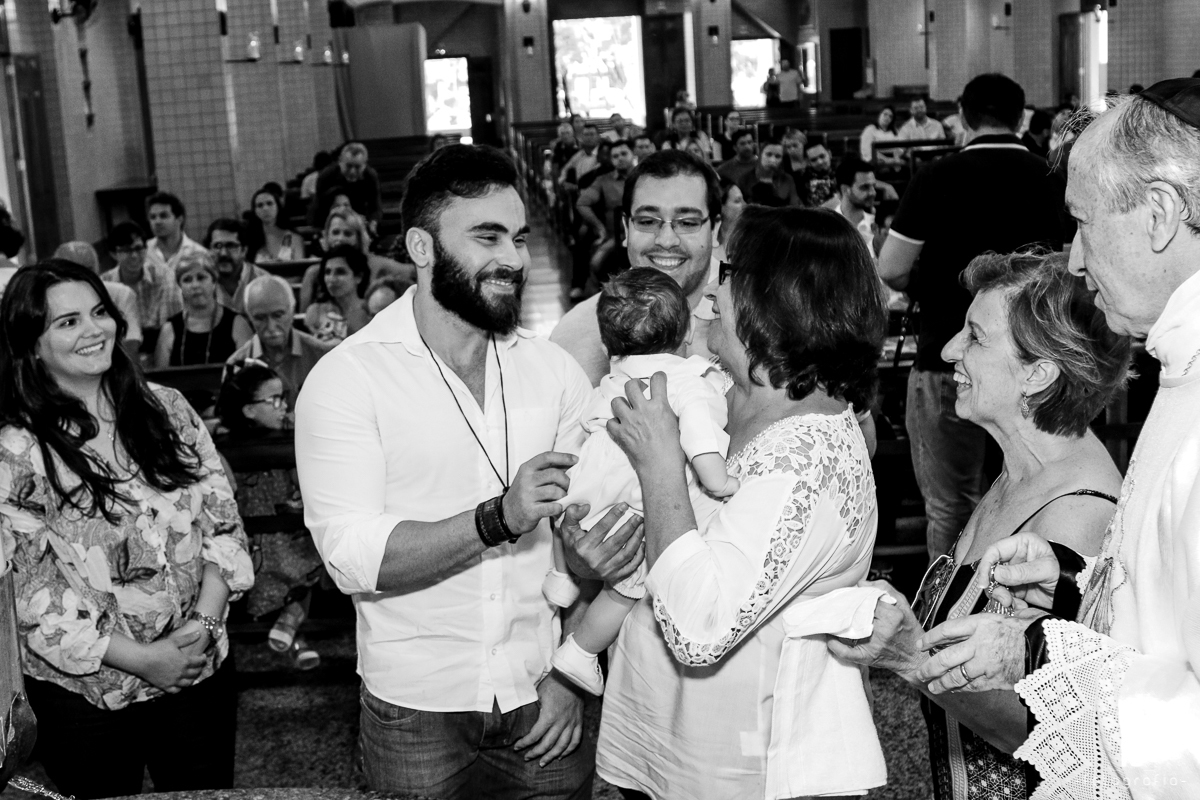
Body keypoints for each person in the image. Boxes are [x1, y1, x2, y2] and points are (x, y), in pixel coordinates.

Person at [912, 78, 1200, 800]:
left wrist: (1036, 653)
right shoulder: (1182, 365)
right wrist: (1076, 585)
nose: (1073, 258)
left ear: (1160, 214)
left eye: (1083, 223)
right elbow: (1164, 609)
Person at [295, 144, 608, 798]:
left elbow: (598, 536)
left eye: (519, 238)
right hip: (417, 709)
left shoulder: (552, 373)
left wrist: (573, 671)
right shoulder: (349, 379)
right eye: (487, 237)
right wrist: (500, 518)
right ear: (422, 246)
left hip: (542, 692)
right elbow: (352, 557)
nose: (513, 258)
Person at [597, 206, 889, 799]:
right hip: (665, 728)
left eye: (728, 274)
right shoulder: (719, 387)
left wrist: (659, 466)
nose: (711, 291)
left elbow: (702, 629)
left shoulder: (806, 459)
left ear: (777, 299)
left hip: (741, 766)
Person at [830, 250, 1130, 800]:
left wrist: (910, 658)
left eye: (974, 336)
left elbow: (1056, 733)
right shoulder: (1020, 472)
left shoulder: (1078, 514)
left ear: (1037, 374)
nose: (949, 350)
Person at [0, 260, 254, 799]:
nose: (94, 330)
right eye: (67, 322)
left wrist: (203, 625)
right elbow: (30, 595)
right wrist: (144, 660)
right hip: (88, 695)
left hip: (198, 667)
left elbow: (223, 523)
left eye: (99, 312)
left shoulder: (168, 408)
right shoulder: (16, 451)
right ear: (31, 345)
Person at [878, 73, 1066, 561]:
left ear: (962, 115)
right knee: (1033, 501)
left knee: (951, 507)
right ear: (1021, 118)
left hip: (951, 354)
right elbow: (1073, 266)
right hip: (1034, 364)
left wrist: (927, 285)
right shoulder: (1050, 175)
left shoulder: (935, 176)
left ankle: (951, 603)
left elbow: (890, 267)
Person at [543, 269, 737, 696]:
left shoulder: (613, 378)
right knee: (627, 589)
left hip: (589, 477)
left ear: (607, 346)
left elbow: (590, 422)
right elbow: (701, 438)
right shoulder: (688, 381)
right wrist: (718, 480)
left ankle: (559, 579)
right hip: (634, 491)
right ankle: (580, 651)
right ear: (688, 332)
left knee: (565, 515)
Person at [551, 149, 723, 387]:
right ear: (625, 228)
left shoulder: (759, 319)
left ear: (714, 230)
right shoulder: (576, 336)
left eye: (687, 223)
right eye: (647, 221)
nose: (666, 240)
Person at [217, 359, 322, 671]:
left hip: (252, 549)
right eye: (275, 400)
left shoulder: (220, 439)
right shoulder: (292, 437)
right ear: (249, 410)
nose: (284, 406)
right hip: (280, 548)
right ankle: (293, 625)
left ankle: (294, 633)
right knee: (320, 555)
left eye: (284, 398)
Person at [227, 275, 334, 409]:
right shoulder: (236, 365)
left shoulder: (322, 355)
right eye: (260, 318)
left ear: (292, 311)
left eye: (278, 315)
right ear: (249, 317)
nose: (271, 327)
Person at [298, 208, 413, 309]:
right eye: (335, 232)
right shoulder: (312, 274)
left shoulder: (377, 264)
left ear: (359, 237)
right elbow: (302, 317)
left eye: (347, 233)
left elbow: (413, 272)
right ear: (327, 236)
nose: (340, 238)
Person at [102, 221, 183, 359]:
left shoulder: (163, 276)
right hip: (119, 355)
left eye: (138, 248)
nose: (134, 255)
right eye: (126, 250)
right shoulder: (105, 284)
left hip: (160, 349)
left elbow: (173, 325)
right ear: (114, 254)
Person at [155, 252, 241, 375]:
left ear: (214, 282)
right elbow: (161, 378)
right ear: (180, 286)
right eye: (187, 280)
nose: (195, 285)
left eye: (201, 278)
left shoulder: (237, 323)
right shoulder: (169, 329)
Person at [55, 241, 143, 353]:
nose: (81, 277)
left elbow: (131, 344)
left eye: (88, 270)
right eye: (72, 272)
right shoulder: (50, 302)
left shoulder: (121, 294)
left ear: (98, 268)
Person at [576, 139, 636, 297]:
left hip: (643, 233)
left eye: (624, 154)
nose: (620, 158)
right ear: (611, 160)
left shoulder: (644, 178)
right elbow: (582, 203)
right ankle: (604, 300)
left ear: (632, 154)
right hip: (615, 236)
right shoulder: (603, 180)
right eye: (615, 156)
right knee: (596, 263)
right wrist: (599, 227)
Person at [304, 244, 371, 343]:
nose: (332, 279)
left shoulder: (370, 310)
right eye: (327, 272)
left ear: (358, 277)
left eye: (340, 272)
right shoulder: (315, 311)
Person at [205, 218, 268, 324]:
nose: (223, 253)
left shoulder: (264, 282)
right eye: (217, 246)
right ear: (209, 250)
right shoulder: (200, 282)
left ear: (244, 250)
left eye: (231, 246)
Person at [308, 142, 383, 229]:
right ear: (340, 161)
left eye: (357, 167)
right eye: (348, 166)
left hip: (359, 218)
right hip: (329, 220)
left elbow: (375, 207)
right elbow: (318, 209)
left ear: (364, 165)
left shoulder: (370, 177)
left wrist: (373, 223)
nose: (352, 172)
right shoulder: (326, 176)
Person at [145, 192, 208, 274]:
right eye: (153, 217)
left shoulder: (199, 253)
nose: (157, 221)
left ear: (179, 219)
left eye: (163, 216)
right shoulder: (144, 251)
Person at [246, 183, 307, 263]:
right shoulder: (249, 238)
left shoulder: (294, 238)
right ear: (255, 211)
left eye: (269, 203)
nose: (265, 208)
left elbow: (299, 267)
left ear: (278, 206)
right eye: (260, 205)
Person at [831, 157, 878, 254]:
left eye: (873, 186)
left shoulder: (876, 225)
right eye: (865, 187)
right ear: (845, 189)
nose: (873, 193)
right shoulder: (827, 226)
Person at [737, 137, 801, 208]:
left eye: (778, 156)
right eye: (768, 154)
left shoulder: (787, 179)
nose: (772, 160)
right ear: (760, 155)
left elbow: (795, 207)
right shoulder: (745, 179)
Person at [711, 179, 745, 263]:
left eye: (743, 200)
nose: (745, 205)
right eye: (737, 201)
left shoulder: (747, 242)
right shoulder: (708, 246)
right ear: (721, 207)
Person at [796, 140, 837, 207]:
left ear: (830, 154)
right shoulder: (801, 179)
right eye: (814, 160)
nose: (819, 162)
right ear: (808, 162)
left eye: (822, 156)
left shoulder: (842, 173)